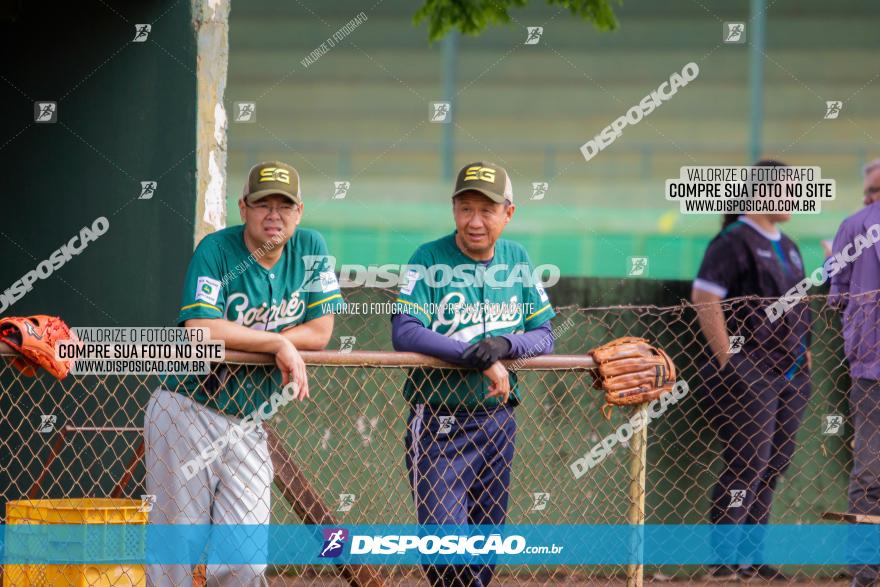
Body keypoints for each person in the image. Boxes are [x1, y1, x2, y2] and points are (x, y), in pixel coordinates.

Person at [144, 161, 343, 586]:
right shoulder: (216, 250)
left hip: (249, 422)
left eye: (284, 205)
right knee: (176, 554)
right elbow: (200, 329)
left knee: (246, 562)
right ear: (243, 208)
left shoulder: (311, 249)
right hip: (186, 410)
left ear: (299, 211)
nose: (274, 215)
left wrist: (268, 340)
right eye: (262, 204)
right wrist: (277, 343)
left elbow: (322, 330)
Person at [392, 161, 556, 587]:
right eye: (466, 209)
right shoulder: (428, 258)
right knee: (447, 551)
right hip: (439, 422)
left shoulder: (517, 259)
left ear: (509, 213)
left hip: (498, 423)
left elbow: (545, 335)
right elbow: (404, 331)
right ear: (453, 210)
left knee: (484, 554)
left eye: (487, 210)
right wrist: (478, 356)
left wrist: (505, 345)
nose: (476, 221)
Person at [692, 159, 812, 582]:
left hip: (792, 376)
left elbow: (799, 304)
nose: (796, 197)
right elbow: (704, 296)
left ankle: (751, 557)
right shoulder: (734, 240)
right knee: (748, 463)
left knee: (774, 464)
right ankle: (723, 561)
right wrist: (729, 359)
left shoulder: (792, 244)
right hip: (750, 374)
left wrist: (807, 355)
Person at [828, 158, 880, 587]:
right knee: (867, 472)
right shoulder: (856, 226)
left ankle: (864, 572)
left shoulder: (852, 227)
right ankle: (864, 570)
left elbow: (835, 294)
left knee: (867, 472)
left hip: (869, 365)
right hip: (871, 367)